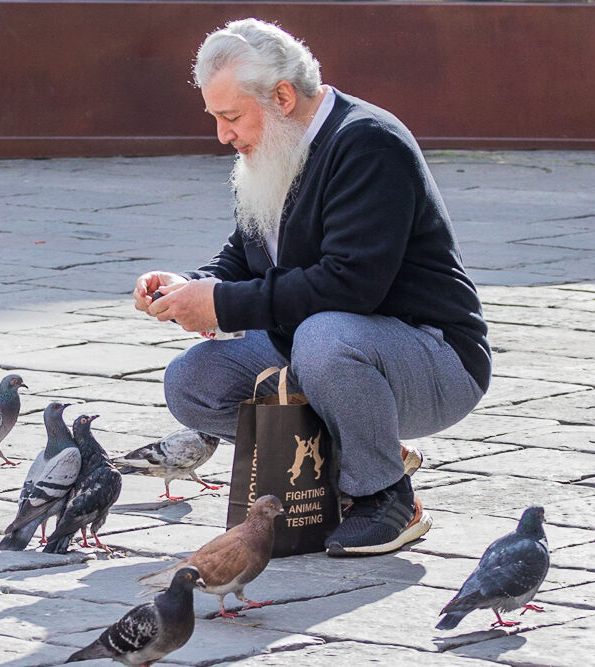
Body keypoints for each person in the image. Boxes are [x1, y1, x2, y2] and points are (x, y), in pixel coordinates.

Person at [133, 19, 490, 556]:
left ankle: (387, 497)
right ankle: (364, 451)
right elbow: (246, 254)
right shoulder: (276, 145)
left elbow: (352, 286)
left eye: (230, 117)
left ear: (281, 96)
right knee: (193, 382)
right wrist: (193, 286)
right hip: (322, 345)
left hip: (432, 357)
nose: (222, 135)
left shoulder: (368, 141)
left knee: (324, 337)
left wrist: (223, 306)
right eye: (215, 118)